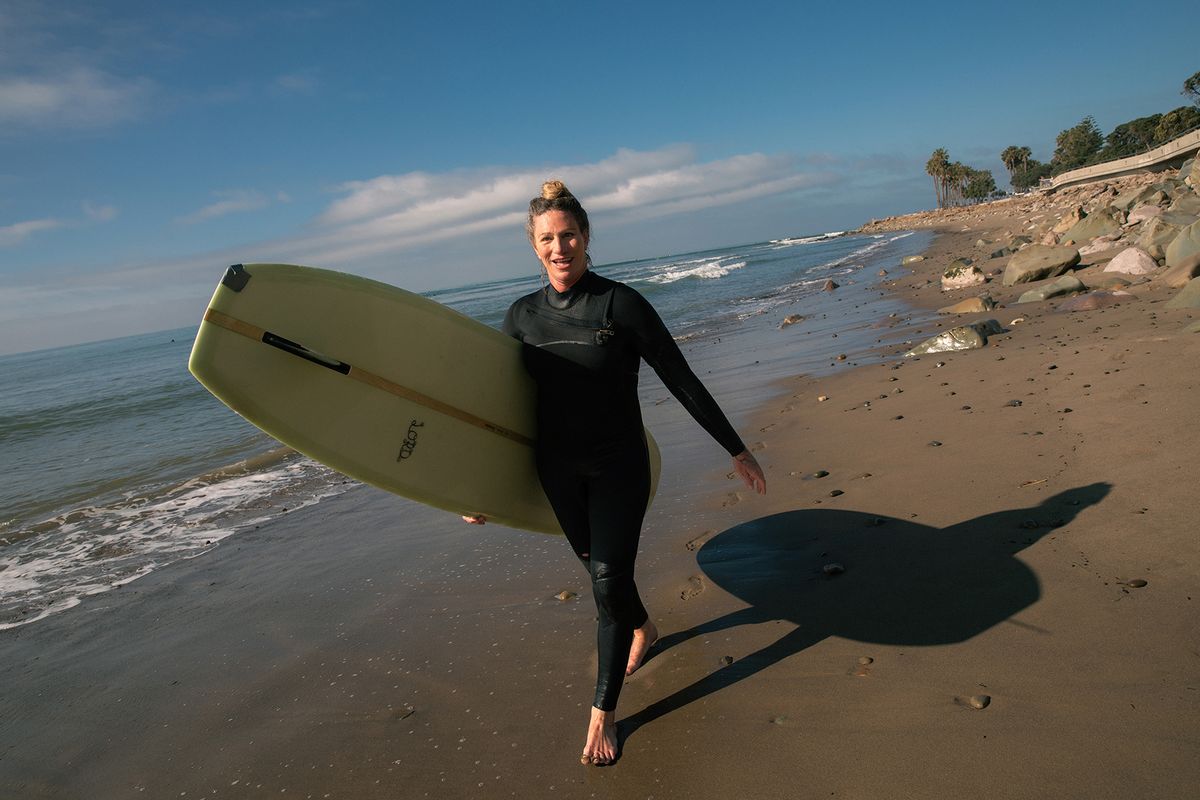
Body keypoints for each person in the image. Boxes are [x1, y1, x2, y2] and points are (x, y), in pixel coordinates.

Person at [465, 180, 766, 766]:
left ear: (586, 236)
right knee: (603, 574)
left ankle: (602, 714)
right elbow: (499, 412)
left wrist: (735, 447)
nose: (560, 248)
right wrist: (478, 488)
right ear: (533, 246)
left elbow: (680, 378)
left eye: (569, 235)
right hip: (556, 470)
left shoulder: (620, 305)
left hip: (617, 464)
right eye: (547, 239)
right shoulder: (520, 318)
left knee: (604, 585)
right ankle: (645, 628)